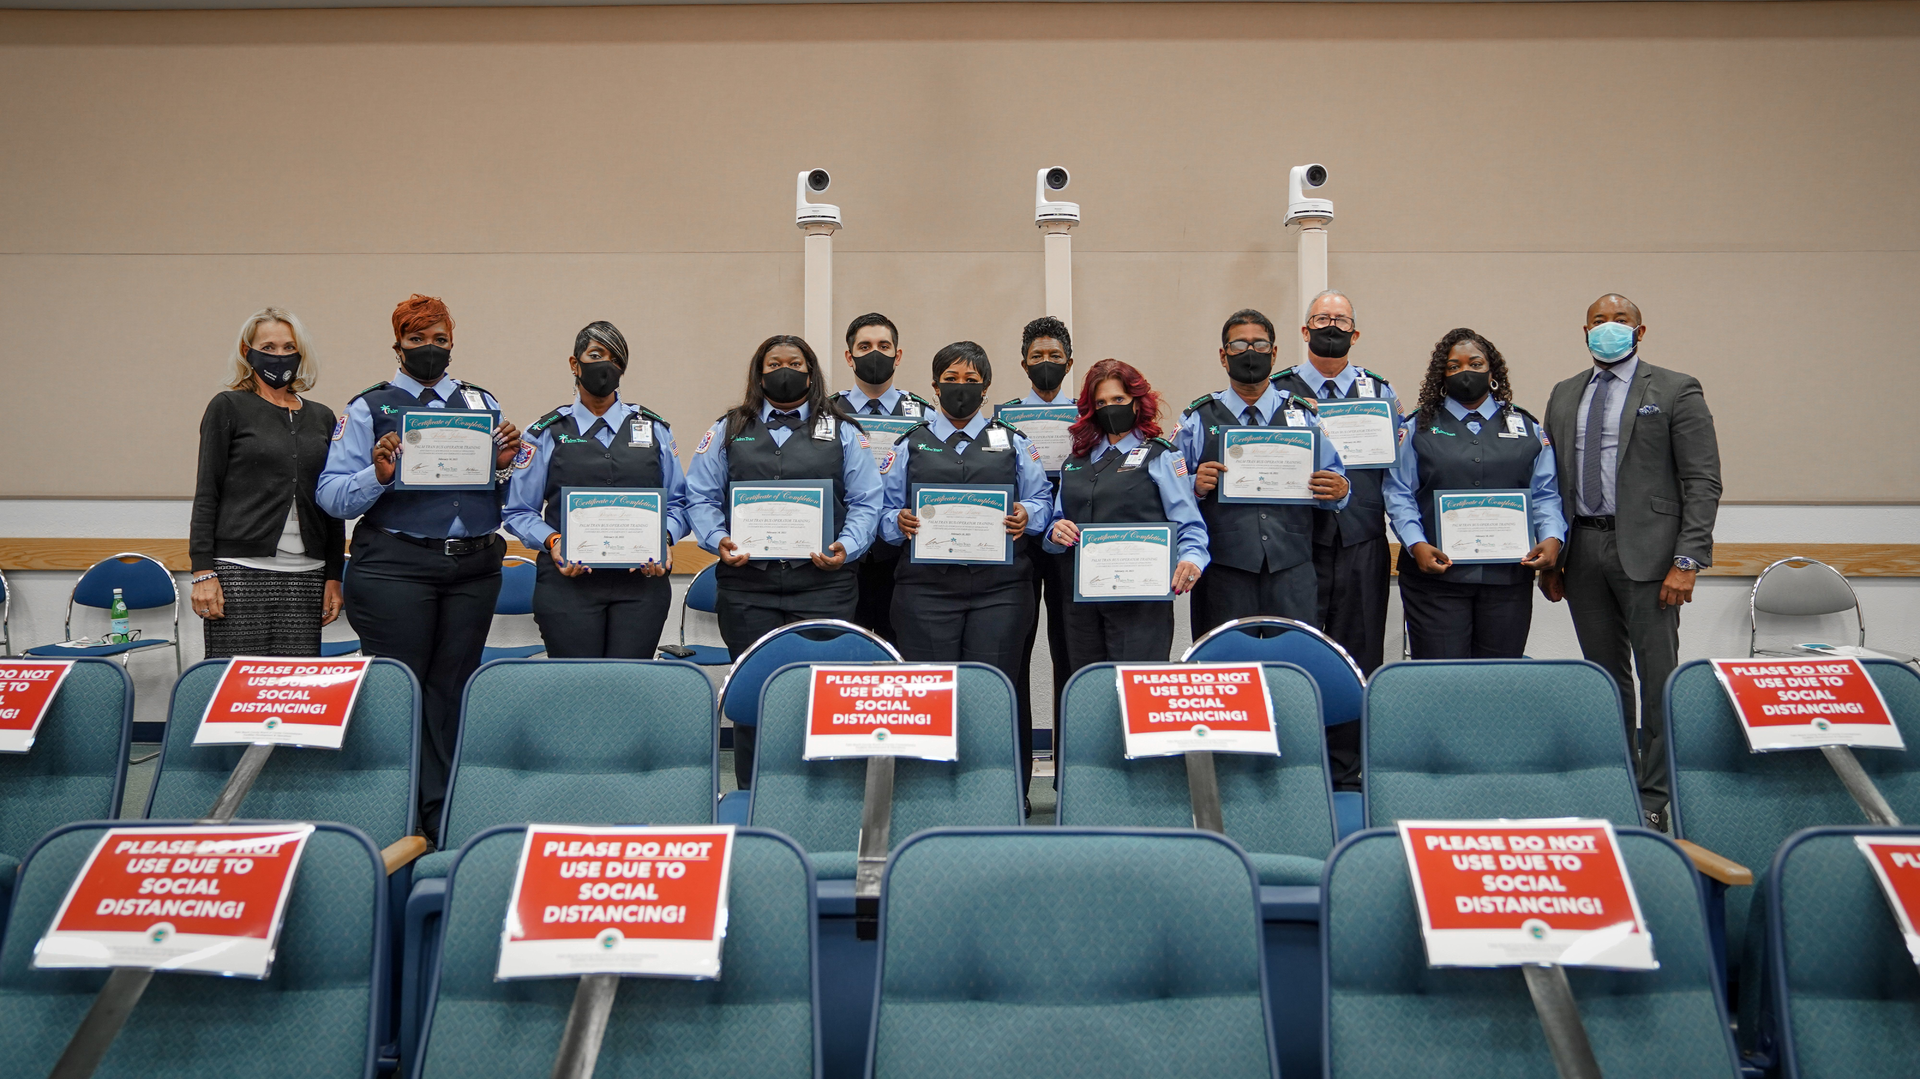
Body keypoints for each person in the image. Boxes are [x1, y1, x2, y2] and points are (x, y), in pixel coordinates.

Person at [317, 293, 520, 840]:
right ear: (398, 345)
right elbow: (331, 496)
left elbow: (506, 494)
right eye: (417, 339)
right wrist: (378, 475)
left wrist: (504, 467)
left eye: (439, 339)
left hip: (473, 569)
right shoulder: (370, 407)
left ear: (452, 343)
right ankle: (396, 816)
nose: (429, 348)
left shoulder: (481, 402)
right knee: (400, 692)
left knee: (452, 692)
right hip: (395, 570)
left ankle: (443, 815)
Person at [1539, 294, 1721, 830]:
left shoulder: (1675, 389)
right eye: (1599, 320)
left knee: (1657, 676)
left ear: (1640, 331)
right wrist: (1552, 557)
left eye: (1621, 320)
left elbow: (1703, 480)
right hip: (1583, 550)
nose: (1609, 327)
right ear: (1584, 331)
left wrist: (1687, 560)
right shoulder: (1564, 393)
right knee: (1604, 677)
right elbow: (1550, 480)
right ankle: (1616, 784)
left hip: (1653, 556)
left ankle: (1655, 796)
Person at [685, 334, 883, 786]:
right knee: (752, 696)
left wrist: (847, 546)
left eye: (795, 363)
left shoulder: (844, 430)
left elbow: (867, 501)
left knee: (821, 696)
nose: (784, 370)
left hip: (824, 586)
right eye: (774, 364)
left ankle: (821, 795)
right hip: (747, 589)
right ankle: (753, 796)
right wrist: (718, 539)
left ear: (810, 374)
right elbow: (700, 496)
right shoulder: (728, 428)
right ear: (759, 374)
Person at [882, 341, 1053, 792]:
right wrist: (898, 521)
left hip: (1000, 593)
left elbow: (1042, 500)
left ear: (986, 387)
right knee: (929, 696)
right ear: (935, 386)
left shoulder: (1014, 441)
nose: (961, 388)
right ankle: (929, 796)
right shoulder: (909, 443)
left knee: (992, 695)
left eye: (971, 380)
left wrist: (1027, 514)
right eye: (951, 379)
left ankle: (999, 796)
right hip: (925, 594)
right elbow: (881, 513)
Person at [503, 321, 688, 658]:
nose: (606, 365)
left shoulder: (654, 429)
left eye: (616, 359)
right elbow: (519, 510)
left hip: (641, 586)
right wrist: (553, 541)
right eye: (596, 355)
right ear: (575, 364)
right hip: (567, 584)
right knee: (576, 683)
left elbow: (679, 502)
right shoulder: (545, 432)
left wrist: (664, 537)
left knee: (630, 680)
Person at [1384, 328, 1564, 658]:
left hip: (1507, 580)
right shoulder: (1416, 428)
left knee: (1498, 677)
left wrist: (1553, 536)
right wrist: (1415, 544)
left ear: (1492, 372)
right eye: (1454, 366)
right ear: (1442, 376)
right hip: (1434, 581)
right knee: (1442, 677)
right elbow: (1399, 493)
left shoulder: (1528, 428)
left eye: (1475, 363)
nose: (1465, 372)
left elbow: (1545, 494)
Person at [1177, 309, 1352, 635]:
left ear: (1273, 353)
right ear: (1223, 356)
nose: (1250, 352)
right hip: (1223, 572)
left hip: (1292, 570)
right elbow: (1169, 493)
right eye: (1239, 345)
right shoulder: (1197, 419)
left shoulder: (1304, 416)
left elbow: (1336, 478)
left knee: (1294, 659)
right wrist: (1193, 485)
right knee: (1225, 663)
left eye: (1259, 345)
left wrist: (1340, 489)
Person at [189, 307, 345, 657]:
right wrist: (202, 571)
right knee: (236, 680)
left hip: (308, 574)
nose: (279, 355)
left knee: (294, 681)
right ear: (248, 352)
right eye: (268, 347)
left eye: (289, 347)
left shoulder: (322, 417)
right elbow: (207, 493)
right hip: (239, 572)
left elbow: (331, 503)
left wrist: (334, 575)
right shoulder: (228, 406)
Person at [1045, 359, 1209, 669]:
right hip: (1082, 603)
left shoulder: (1162, 455)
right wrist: (1055, 532)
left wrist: (1192, 559)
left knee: (1136, 688)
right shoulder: (1074, 462)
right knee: (1087, 688)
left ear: (1136, 402)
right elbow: (1056, 523)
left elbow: (1189, 524)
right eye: (1101, 402)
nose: (1110, 408)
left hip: (1141, 604)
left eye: (1118, 399)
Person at [1270, 291, 1399, 676]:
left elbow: (1397, 475)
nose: (1331, 327)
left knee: (1361, 656)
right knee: (1295, 653)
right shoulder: (1278, 391)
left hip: (1363, 542)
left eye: (1341, 320)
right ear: (1305, 330)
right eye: (1322, 319)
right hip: (1297, 543)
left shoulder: (1380, 393)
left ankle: (1354, 720)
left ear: (1354, 334)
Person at [996, 316, 1077, 773]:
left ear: (1070, 362)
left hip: (1070, 544)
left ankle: (1069, 775)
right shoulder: (1004, 419)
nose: (1046, 362)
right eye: (1037, 356)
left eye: (1054, 355)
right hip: (1019, 544)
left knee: (1071, 654)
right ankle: (1018, 779)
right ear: (1024, 363)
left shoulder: (1088, 417)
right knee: (1015, 656)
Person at [833, 312, 933, 643]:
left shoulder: (924, 416)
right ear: (849, 356)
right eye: (864, 346)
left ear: (897, 355)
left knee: (901, 652)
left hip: (903, 558)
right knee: (845, 653)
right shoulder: (827, 413)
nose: (875, 353)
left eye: (883, 346)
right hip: (843, 557)